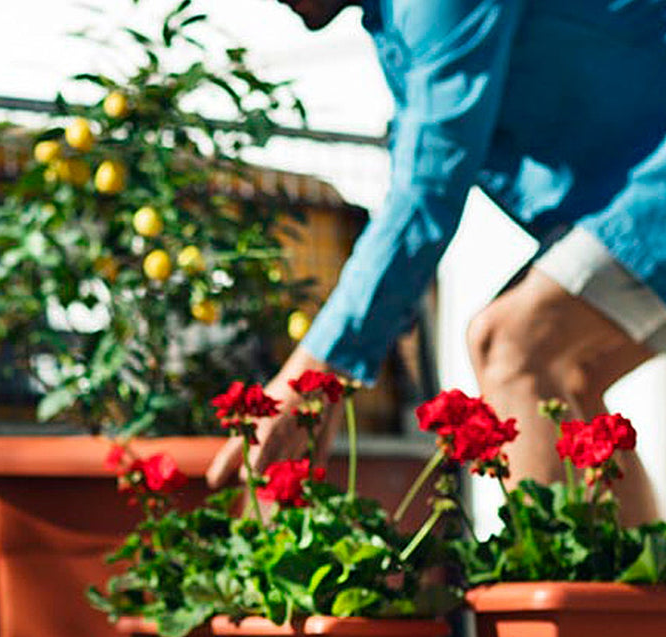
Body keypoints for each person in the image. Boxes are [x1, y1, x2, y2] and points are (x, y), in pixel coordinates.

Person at [207, 0, 666, 525]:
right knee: (571, 378)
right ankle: (637, 602)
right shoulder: (396, 22)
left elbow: (429, 186)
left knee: (511, 345)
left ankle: (553, 602)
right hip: (636, 199)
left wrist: (316, 373)